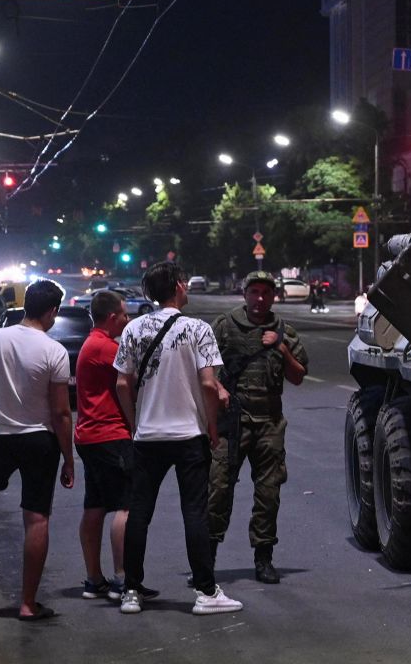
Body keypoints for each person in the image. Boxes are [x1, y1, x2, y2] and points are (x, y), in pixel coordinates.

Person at [113, 262, 241, 615]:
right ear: (179, 287)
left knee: (139, 513)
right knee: (194, 513)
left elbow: (123, 383)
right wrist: (212, 426)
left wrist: (134, 421)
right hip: (188, 436)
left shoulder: (134, 329)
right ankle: (205, 593)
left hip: (148, 435)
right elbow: (207, 383)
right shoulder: (198, 329)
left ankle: (131, 591)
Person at [0, 280, 74, 623]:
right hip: (39, 440)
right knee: (37, 516)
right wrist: (68, 459)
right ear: (52, 311)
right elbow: (61, 413)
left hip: (0, 435)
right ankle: (27, 603)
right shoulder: (54, 351)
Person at [208, 270, 307, 584]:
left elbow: (298, 375)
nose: (260, 298)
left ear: (274, 296)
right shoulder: (225, 326)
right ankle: (206, 558)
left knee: (268, 493)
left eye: (266, 292)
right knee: (218, 489)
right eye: (254, 292)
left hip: (269, 424)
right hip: (231, 423)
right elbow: (202, 367)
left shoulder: (283, 330)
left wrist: (282, 349)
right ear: (245, 294)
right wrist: (218, 392)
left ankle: (263, 557)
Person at [74, 290, 135, 600]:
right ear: (112, 317)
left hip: (89, 435)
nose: (127, 319)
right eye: (124, 315)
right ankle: (122, 579)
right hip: (110, 435)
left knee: (95, 506)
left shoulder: (91, 344)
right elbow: (133, 377)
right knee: (126, 506)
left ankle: (93, 578)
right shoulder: (106, 347)